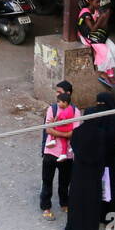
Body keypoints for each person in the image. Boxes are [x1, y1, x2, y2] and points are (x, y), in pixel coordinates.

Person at [65, 104, 106, 230]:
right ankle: (89, 229)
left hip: (79, 172)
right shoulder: (100, 134)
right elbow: (100, 154)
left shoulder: (77, 132)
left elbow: (75, 148)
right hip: (93, 173)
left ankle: (74, 228)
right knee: (91, 200)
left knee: (77, 199)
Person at [40, 89, 79, 219]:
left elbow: (75, 131)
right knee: (47, 181)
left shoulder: (76, 112)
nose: (58, 100)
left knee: (65, 181)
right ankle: (46, 206)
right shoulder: (52, 109)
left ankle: (64, 203)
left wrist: (60, 134)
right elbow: (48, 129)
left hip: (67, 154)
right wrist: (64, 135)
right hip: (50, 152)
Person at [96, 91, 115, 226]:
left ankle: (102, 215)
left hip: (103, 159)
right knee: (110, 187)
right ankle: (111, 217)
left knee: (104, 186)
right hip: (111, 159)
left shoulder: (103, 118)